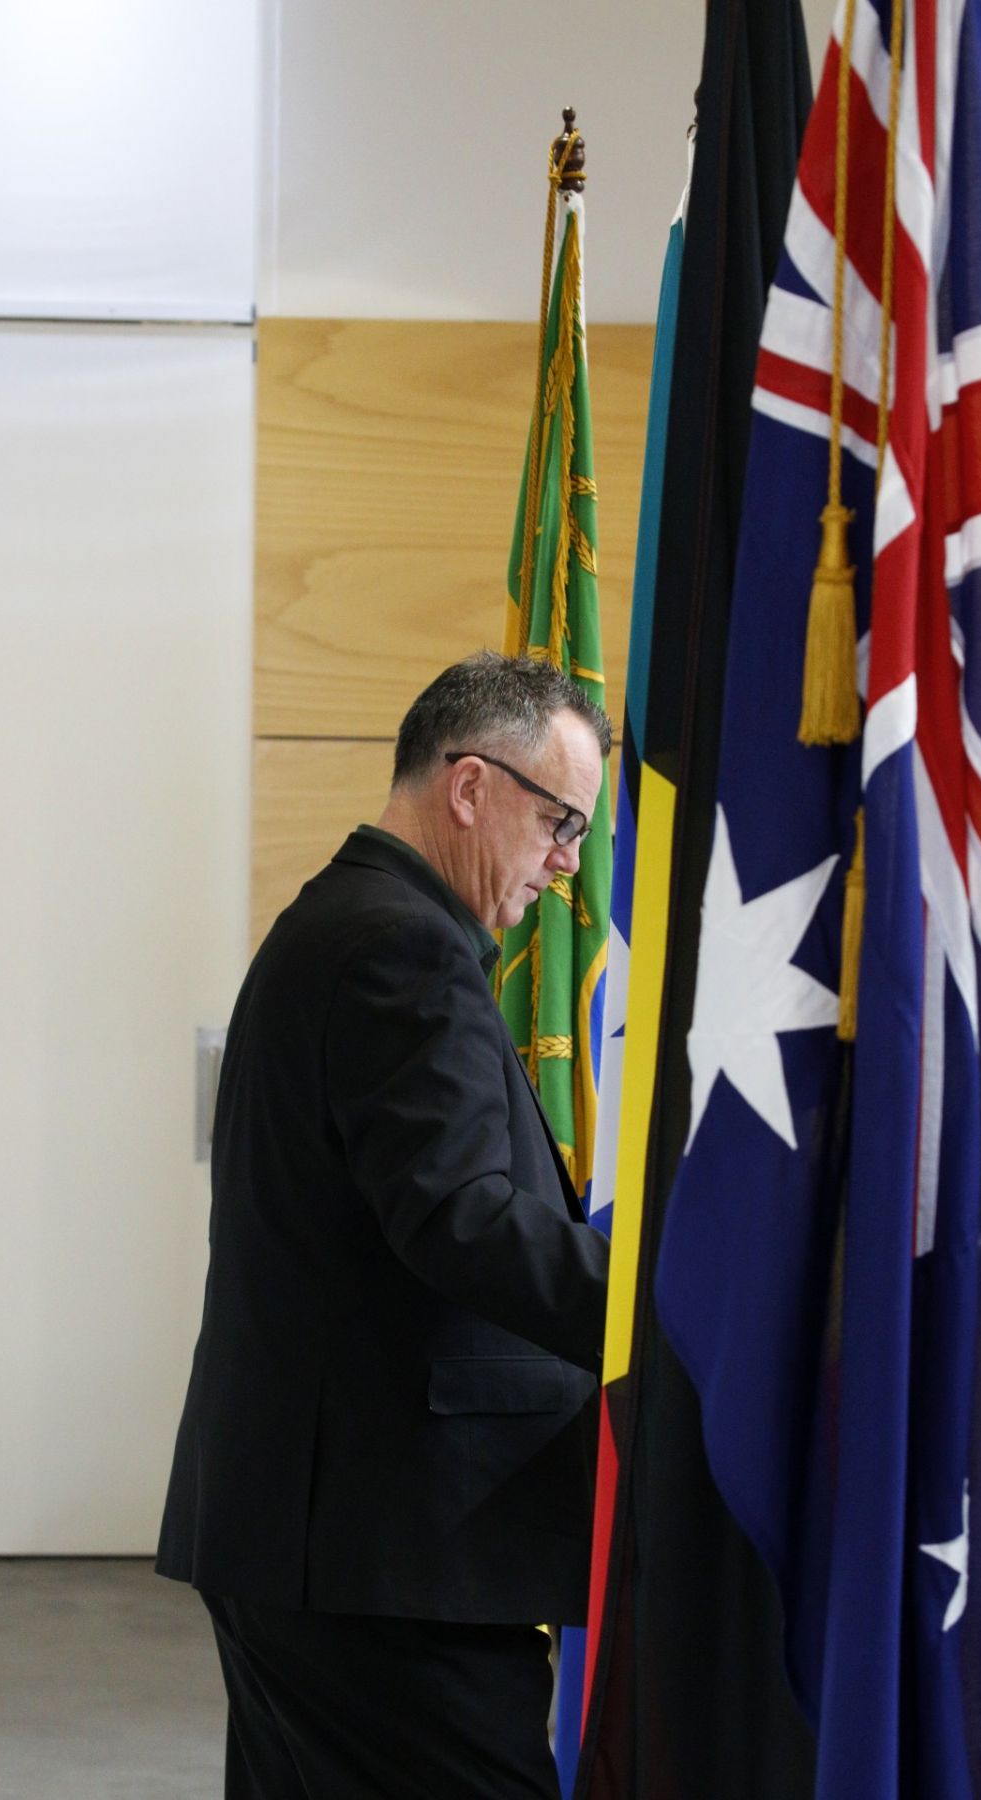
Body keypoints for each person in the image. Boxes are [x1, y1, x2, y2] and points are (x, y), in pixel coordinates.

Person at [157, 651, 613, 1799]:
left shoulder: (346, 923)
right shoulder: (401, 948)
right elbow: (463, 1220)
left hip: (328, 1541)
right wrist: (670, 1304)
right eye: (559, 823)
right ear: (470, 787)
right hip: (385, 1564)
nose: (565, 868)